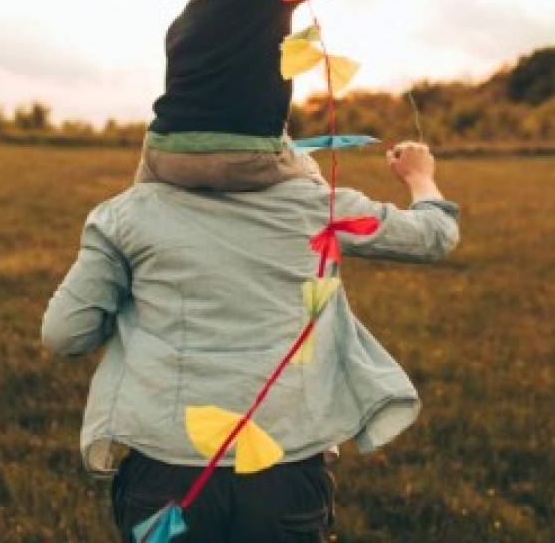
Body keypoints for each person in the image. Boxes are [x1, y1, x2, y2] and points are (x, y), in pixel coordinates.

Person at [41, 141, 461, 542]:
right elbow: (434, 234)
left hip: (166, 471)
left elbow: (64, 334)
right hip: (285, 471)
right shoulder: (319, 205)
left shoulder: (127, 215)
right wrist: (420, 176)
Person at [136, 0, 355, 192]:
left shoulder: (179, 24)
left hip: (165, 152)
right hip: (246, 156)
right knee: (309, 175)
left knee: (140, 198)